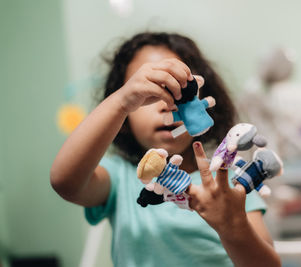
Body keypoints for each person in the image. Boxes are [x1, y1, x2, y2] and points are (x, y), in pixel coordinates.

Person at [50, 32, 281, 267]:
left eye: (176, 91)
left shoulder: (230, 181)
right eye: (147, 95)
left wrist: (233, 227)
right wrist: (121, 101)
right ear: (125, 118)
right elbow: (64, 181)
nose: (165, 105)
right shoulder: (120, 177)